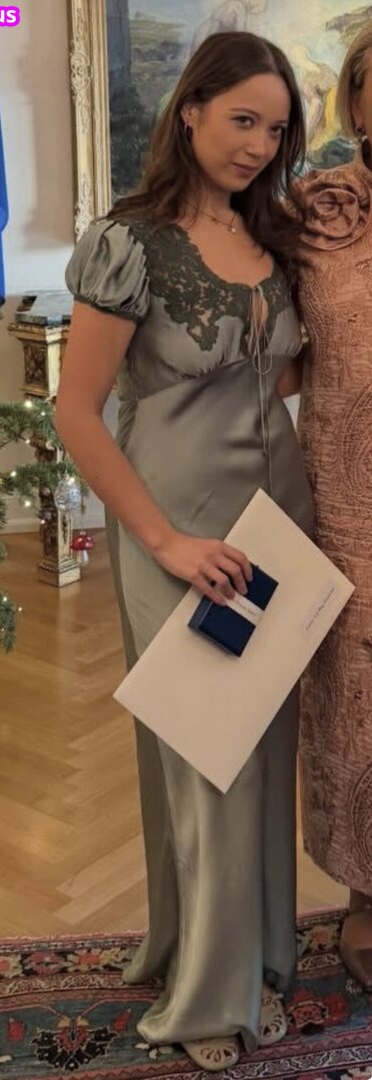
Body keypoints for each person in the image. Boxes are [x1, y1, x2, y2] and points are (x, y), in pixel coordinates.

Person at [56, 31, 313, 1071]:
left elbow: (275, 378)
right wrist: (160, 538)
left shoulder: (274, 238)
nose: (257, 144)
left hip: (275, 522)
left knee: (262, 751)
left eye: (275, 129)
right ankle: (207, 998)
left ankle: (248, 954)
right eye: (241, 118)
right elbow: (76, 413)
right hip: (176, 525)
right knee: (206, 755)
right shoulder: (128, 241)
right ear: (191, 108)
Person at [292, 24, 372, 991]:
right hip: (347, 501)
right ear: (354, 100)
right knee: (355, 704)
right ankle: (365, 893)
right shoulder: (319, 210)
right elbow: (268, 342)